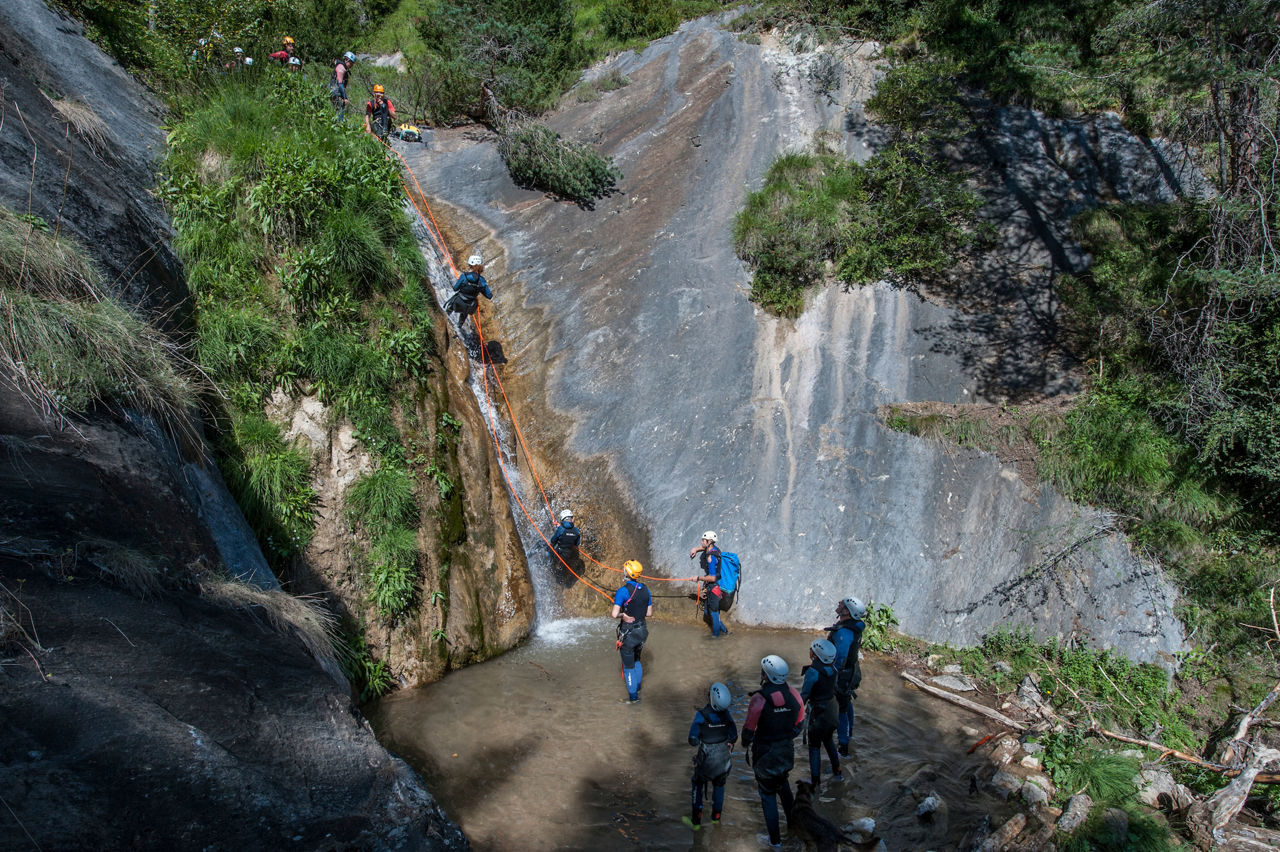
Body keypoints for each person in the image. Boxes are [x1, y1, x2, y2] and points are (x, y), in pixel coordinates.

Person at [742, 655, 805, 849]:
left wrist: (746, 743)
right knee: (783, 786)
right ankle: (795, 828)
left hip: (765, 755)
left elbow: (748, 731)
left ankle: (775, 842)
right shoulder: (794, 694)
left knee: (767, 795)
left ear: (766, 675)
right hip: (785, 753)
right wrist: (785, 737)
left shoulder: (759, 699)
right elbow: (800, 724)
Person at [683, 682, 738, 831]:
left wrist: (702, 737)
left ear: (711, 698)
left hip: (706, 761)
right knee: (719, 786)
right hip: (723, 761)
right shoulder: (727, 715)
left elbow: (692, 740)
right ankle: (716, 818)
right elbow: (733, 736)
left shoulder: (701, 715)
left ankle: (696, 822)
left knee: (697, 783)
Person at [826, 596, 867, 757]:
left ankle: (843, 747)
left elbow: (840, 658)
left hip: (843, 675)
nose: (839, 604)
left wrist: (831, 677)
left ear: (848, 612)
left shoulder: (844, 632)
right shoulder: (854, 627)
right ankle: (850, 735)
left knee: (841, 708)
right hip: (851, 672)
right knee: (846, 701)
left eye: (842, 604)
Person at [800, 638, 843, 790]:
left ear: (816, 655)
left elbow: (804, 695)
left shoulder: (813, 672)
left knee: (814, 746)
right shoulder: (833, 669)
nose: (809, 650)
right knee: (828, 740)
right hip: (832, 710)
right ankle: (838, 771)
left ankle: (815, 783)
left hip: (818, 714)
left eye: (811, 649)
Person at [610, 560, 651, 703]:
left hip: (629, 634)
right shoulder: (646, 589)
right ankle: (638, 688)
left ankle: (634, 698)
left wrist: (624, 615)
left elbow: (614, 614)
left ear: (627, 573)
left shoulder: (622, 591)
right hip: (642, 631)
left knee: (628, 666)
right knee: (637, 659)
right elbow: (649, 613)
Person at [689, 530, 728, 636]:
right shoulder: (715, 549)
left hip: (714, 587)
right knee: (707, 612)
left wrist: (698, 578)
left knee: (714, 614)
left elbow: (712, 577)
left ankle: (716, 637)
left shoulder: (711, 557)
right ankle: (725, 632)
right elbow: (705, 548)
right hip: (712, 587)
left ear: (709, 541)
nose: (701, 542)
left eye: (703, 540)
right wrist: (696, 549)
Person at [444, 254, 493, 331]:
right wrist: (480, 289)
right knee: (464, 313)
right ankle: (458, 328)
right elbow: (489, 296)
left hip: (458, 301)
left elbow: (455, 288)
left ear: (470, 266)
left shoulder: (464, 276)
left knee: (450, 307)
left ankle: (445, 318)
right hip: (469, 306)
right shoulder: (482, 281)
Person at [331, 52, 355, 121]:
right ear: (346, 60)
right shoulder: (341, 68)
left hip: (335, 92)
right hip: (336, 92)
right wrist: (345, 97)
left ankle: (336, 123)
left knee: (337, 110)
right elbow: (340, 83)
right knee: (340, 109)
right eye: (350, 63)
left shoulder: (342, 67)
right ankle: (339, 124)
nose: (351, 65)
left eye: (352, 63)